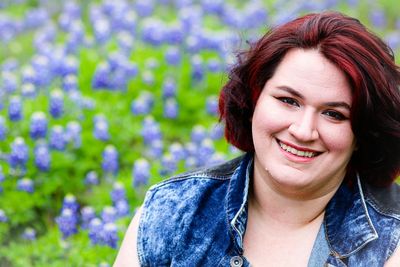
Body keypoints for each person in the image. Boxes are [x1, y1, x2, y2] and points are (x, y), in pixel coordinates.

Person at [114, 11, 400, 266]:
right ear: (253, 101)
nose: (303, 131)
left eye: (334, 114)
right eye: (288, 100)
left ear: (363, 132)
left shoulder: (392, 239)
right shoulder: (173, 211)